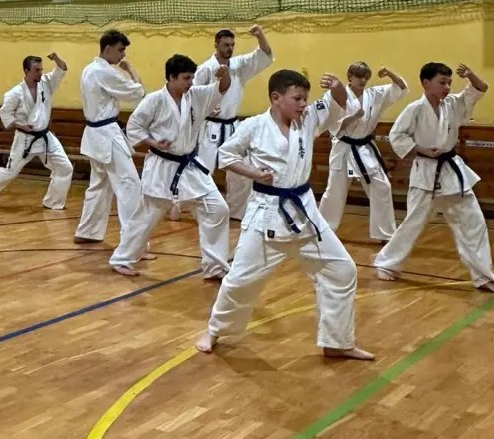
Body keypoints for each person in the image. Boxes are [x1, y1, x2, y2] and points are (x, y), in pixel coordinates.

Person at [195, 69, 375, 361]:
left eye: (305, 98)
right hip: (266, 215)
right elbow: (226, 156)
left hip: (305, 213)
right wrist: (254, 173)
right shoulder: (254, 126)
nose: (303, 104)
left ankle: (337, 341)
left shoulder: (308, 119)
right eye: (297, 98)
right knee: (240, 280)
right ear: (276, 98)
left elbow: (340, 102)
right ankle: (215, 330)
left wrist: (338, 87)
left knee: (342, 270)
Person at [372, 63, 494, 294]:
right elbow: (397, 135)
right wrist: (421, 149)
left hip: (451, 171)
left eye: (449, 82)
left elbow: (480, 89)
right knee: (413, 224)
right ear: (426, 83)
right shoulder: (415, 109)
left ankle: (483, 276)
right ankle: (387, 263)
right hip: (425, 173)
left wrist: (470, 75)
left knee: (474, 223)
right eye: (442, 82)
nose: (447, 87)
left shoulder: (452, 104)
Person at [108, 55, 231, 277]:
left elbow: (221, 88)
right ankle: (122, 258)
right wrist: (153, 142)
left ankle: (215, 266)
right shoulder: (154, 100)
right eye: (186, 78)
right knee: (148, 214)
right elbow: (134, 126)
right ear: (172, 78)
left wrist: (225, 75)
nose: (190, 82)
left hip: (189, 166)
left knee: (217, 208)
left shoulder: (195, 96)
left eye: (192, 77)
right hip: (162, 165)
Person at [317, 63, 407, 242]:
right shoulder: (336, 94)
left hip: (365, 149)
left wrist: (390, 73)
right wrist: (353, 117)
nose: (363, 80)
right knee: (335, 191)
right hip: (343, 148)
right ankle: (324, 231)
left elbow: (401, 88)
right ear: (350, 77)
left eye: (366, 77)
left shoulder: (374, 94)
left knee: (382, 187)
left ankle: (385, 233)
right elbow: (330, 124)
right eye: (359, 76)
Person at [193, 26, 273, 221]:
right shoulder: (205, 69)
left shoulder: (239, 66)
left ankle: (235, 211)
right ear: (216, 45)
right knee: (201, 171)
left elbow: (264, 54)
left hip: (233, 126)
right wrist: (205, 109)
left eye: (232, 45)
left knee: (240, 172)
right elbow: (192, 96)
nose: (229, 48)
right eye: (226, 45)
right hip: (209, 127)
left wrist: (259, 35)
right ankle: (186, 206)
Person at [0, 52, 73, 210]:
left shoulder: (46, 84)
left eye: (41, 69)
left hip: (45, 137)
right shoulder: (15, 93)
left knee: (65, 167)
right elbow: (5, 113)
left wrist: (56, 58)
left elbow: (62, 69)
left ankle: (53, 202)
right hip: (25, 140)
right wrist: (20, 126)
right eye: (36, 70)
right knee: (10, 172)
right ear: (26, 71)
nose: (40, 73)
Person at [74, 30, 146, 246]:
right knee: (130, 185)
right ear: (107, 49)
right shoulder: (104, 72)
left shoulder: (89, 69)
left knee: (99, 184)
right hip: (107, 135)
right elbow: (138, 92)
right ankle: (133, 245)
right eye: (120, 50)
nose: (123, 55)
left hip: (96, 134)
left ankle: (88, 231)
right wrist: (130, 70)